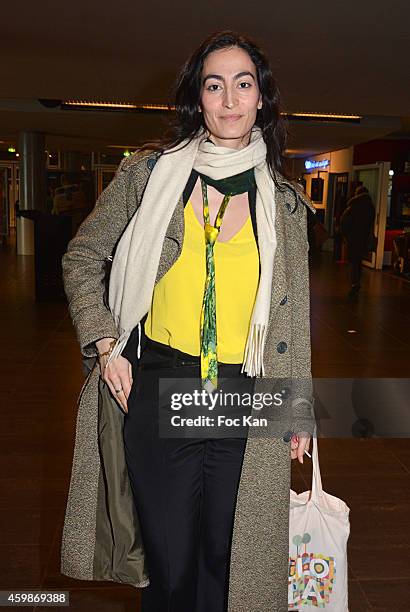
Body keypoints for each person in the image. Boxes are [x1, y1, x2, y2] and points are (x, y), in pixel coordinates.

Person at [60, 30, 316, 612]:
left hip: (248, 396)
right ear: (196, 99)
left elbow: (294, 315)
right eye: (214, 85)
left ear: (262, 99)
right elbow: (82, 258)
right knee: (171, 564)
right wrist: (105, 343)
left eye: (244, 85)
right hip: (160, 384)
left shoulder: (283, 201)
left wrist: (299, 410)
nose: (230, 100)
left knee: (227, 562)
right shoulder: (151, 175)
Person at [341, 184, 376, 298]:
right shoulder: (370, 206)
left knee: (354, 262)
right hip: (364, 238)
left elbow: (344, 221)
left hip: (353, 238)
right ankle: (357, 281)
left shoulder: (353, 206)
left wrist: (345, 234)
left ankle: (354, 283)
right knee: (359, 261)